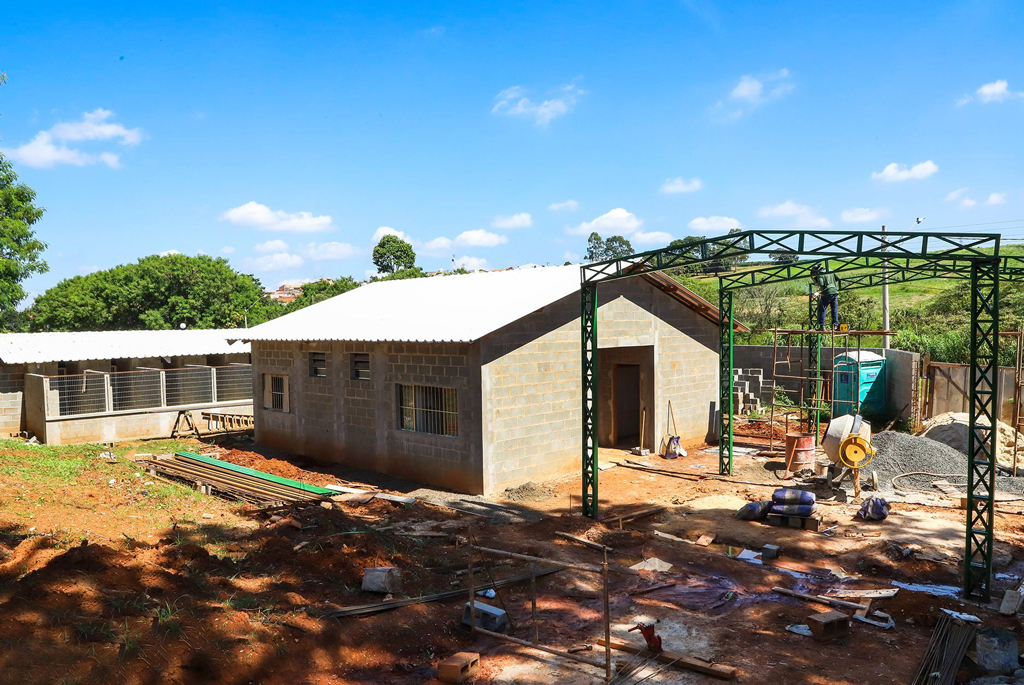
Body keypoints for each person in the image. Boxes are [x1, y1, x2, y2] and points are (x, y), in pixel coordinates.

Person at [811, 263, 839, 330]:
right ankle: (835, 325)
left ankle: (822, 326)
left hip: (827, 292)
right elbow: (838, 278)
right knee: (834, 310)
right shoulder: (830, 270)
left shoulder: (820, 274)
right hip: (835, 291)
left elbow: (821, 283)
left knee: (822, 309)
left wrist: (815, 280)